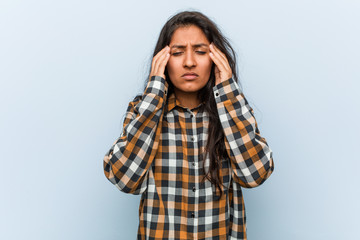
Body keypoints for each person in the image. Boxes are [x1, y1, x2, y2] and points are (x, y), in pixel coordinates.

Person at [103, 10, 274, 240]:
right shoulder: (142, 110)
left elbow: (255, 174)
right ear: (162, 60)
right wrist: (154, 93)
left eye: (201, 52)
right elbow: (124, 179)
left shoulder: (232, 111)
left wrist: (228, 91)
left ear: (215, 58)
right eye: (177, 52)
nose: (190, 62)